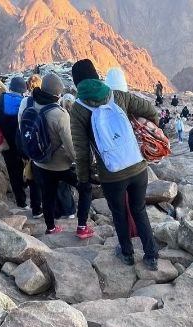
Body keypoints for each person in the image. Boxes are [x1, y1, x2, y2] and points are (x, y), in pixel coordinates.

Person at [69, 59, 161, 270]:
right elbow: (150, 110)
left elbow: (81, 152)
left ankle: (127, 254)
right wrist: (148, 135)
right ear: (96, 75)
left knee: (119, 214)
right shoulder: (118, 96)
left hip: (111, 174)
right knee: (139, 210)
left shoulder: (78, 109)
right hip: (137, 167)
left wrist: (84, 180)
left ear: (76, 82)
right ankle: (151, 256)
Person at [21, 72, 95, 238]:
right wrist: (84, 165)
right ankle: (82, 227)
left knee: (48, 195)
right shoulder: (60, 114)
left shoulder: (31, 105)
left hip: (40, 162)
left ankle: (51, 228)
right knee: (86, 188)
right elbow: (71, 147)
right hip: (61, 166)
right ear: (57, 94)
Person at [0, 75, 34, 211]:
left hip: (5, 144)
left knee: (13, 171)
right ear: (23, 89)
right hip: (23, 145)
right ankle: (34, 198)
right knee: (28, 168)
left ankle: (21, 201)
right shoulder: (25, 102)